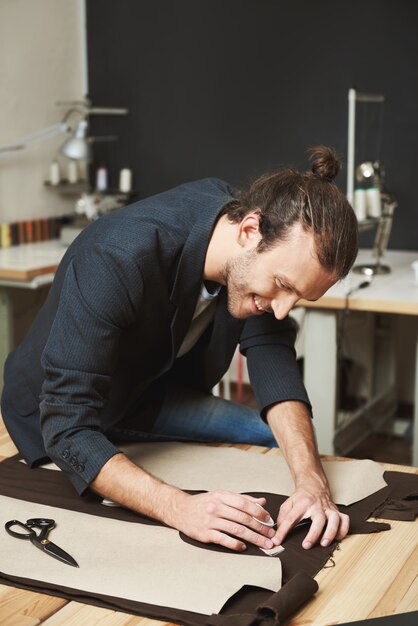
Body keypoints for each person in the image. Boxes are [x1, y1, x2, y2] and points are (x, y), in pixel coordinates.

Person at [1, 146, 358, 554]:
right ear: (248, 231)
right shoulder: (114, 256)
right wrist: (181, 509)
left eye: (298, 299)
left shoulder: (248, 232)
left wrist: (312, 483)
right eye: (284, 286)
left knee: (279, 440)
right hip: (53, 413)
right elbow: (68, 427)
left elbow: (272, 354)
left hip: (145, 393)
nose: (282, 310)